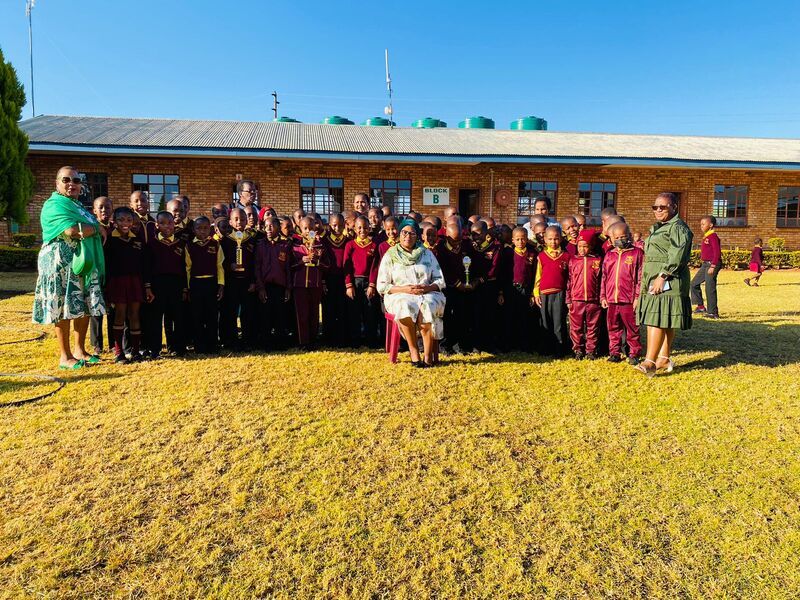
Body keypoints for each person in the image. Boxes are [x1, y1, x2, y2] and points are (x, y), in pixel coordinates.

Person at [33, 166, 107, 369]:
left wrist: (93, 228)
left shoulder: (78, 206)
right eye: (66, 180)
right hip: (61, 265)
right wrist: (96, 228)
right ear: (57, 183)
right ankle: (65, 356)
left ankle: (79, 350)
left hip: (82, 263)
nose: (71, 184)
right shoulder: (53, 205)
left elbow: (87, 228)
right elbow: (72, 230)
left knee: (84, 304)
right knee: (63, 308)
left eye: (76, 181)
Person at [636, 192, 693, 376]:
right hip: (656, 277)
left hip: (668, 279)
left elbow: (678, 254)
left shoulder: (678, 227)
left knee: (656, 318)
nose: (658, 210)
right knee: (665, 318)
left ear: (674, 207)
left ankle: (650, 362)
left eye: (663, 207)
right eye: (655, 207)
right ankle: (663, 358)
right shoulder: (661, 227)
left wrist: (663, 275)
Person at [377, 219, 446, 367]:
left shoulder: (427, 254)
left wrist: (427, 288)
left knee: (428, 305)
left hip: (427, 293)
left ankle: (427, 355)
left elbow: (440, 280)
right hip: (400, 294)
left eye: (412, 233)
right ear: (399, 234)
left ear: (417, 236)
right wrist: (405, 289)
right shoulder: (390, 255)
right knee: (405, 304)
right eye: (404, 232)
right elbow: (382, 285)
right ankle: (414, 351)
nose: (408, 236)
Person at [104, 207, 151, 363]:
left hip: (135, 282)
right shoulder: (109, 240)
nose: (125, 223)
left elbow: (144, 265)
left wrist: (147, 286)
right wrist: (105, 288)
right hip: (117, 282)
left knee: (134, 315)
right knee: (120, 315)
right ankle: (119, 353)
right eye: (121, 220)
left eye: (129, 220)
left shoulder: (138, 240)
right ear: (114, 222)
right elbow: (106, 265)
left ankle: (136, 352)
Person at [144, 211, 187, 358]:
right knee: (156, 318)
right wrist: (148, 287)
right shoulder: (151, 243)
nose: (167, 226)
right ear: (157, 225)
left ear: (174, 224)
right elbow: (147, 267)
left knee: (177, 317)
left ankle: (177, 347)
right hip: (157, 284)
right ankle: (155, 349)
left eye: (170, 223)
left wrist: (184, 288)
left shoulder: (181, 243)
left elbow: (184, 267)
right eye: (162, 223)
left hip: (176, 284)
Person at [601, 222, 644, 364]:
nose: (620, 240)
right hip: (612, 299)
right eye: (617, 237)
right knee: (613, 328)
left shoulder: (637, 253)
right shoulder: (609, 254)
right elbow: (604, 277)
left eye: (623, 237)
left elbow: (640, 277)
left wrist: (637, 297)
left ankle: (634, 353)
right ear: (612, 238)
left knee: (632, 328)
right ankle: (614, 353)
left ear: (629, 236)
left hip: (629, 299)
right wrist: (603, 296)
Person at [436, 217, 478, 354]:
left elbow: (472, 264)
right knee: (447, 317)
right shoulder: (441, 248)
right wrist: (457, 283)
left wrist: (472, 282)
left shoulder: (466, 245)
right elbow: (443, 269)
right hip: (449, 288)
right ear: (447, 236)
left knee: (463, 316)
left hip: (465, 288)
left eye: (459, 239)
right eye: (454, 240)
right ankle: (445, 346)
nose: (457, 243)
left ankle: (461, 345)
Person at [219, 208, 258, 350]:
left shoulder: (252, 240)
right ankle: (231, 341)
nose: (239, 222)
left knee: (248, 313)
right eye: (236, 219)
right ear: (230, 222)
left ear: (246, 221)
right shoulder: (225, 241)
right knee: (230, 312)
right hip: (231, 282)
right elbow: (220, 262)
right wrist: (230, 266)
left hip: (247, 282)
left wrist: (253, 281)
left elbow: (255, 263)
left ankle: (248, 340)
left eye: (242, 219)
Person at [185, 216, 225, 354]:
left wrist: (221, 285)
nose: (202, 231)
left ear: (210, 229)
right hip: (196, 284)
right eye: (199, 228)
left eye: (205, 228)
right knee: (197, 316)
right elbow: (188, 268)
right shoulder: (189, 246)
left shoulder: (215, 244)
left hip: (211, 283)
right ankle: (199, 346)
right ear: (193, 230)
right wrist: (188, 288)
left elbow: (220, 266)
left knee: (212, 315)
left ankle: (212, 345)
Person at [254, 216, 292, 350]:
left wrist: (288, 288)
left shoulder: (285, 245)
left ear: (278, 228)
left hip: (280, 287)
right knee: (265, 316)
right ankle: (266, 343)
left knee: (280, 315)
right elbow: (257, 268)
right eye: (266, 226)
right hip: (265, 287)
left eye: (271, 226)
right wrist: (260, 288)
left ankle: (280, 343)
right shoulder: (260, 245)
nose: (268, 229)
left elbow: (288, 268)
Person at [291, 217, 328, 349]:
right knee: (302, 314)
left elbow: (327, 266)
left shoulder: (320, 246)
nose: (308, 231)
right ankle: (303, 342)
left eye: (311, 228)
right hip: (300, 286)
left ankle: (313, 340)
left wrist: (317, 261)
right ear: (300, 229)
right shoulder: (295, 246)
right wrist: (302, 261)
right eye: (305, 228)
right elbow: (289, 266)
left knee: (314, 313)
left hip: (315, 285)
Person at [532, 226, 570, 356]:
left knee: (559, 321)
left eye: (556, 239)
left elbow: (569, 278)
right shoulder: (541, 256)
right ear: (545, 239)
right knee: (545, 321)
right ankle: (546, 349)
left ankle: (560, 350)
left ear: (561, 239)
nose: (553, 242)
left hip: (560, 293)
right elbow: (538, 277)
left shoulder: (566, 256)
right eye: (550, 239)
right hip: (544, 294)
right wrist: (536, 293)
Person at [344, 216, 381, 348]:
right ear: (355, 229)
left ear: (369, 228)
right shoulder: (350, 245)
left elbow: (375, 267)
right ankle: (355, 340)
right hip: (354, 282)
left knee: (370, 311)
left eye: (365, 227)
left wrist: (372, 285)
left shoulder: (374, 246)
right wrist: (349, 285)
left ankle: (371, 340)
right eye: (359, 227)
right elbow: (346, 267)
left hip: (368, 283)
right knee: (354, 312)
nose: (362, 230)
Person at [566, 232, 602, 360]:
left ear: (591, 246)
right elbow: (569, 281)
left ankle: (591, 350)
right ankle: (578, 349)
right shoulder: (573, 260)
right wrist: (568, 299)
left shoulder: (597, 260)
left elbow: (602, 280)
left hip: (594, 300)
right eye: (579, 246)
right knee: (576, 327)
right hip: (577, 300)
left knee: (593, 327)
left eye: (585, 246)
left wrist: (601, 297)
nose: (582, 249)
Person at [502, 226, 538, 352]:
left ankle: (524, 345)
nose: (520, 242)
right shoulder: (508, 253)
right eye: (517, 239)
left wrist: (533, 293)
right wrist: (501, 292)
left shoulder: (532, 253)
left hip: (526, 289)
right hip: (511, 289)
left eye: (523, 239)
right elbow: (503, 274)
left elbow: (534, 274)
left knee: (524, 317)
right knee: (510, 317)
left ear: (527, 239)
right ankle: (508, 345)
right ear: (512, 240)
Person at [90, 196, 113, 355]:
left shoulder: (116, 229)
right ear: (94, 211)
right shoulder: (92, 229)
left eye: (108, 207)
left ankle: (113, 342)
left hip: (113, 274)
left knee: (113, 309)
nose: (104, 210)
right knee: (96, 309)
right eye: (101, 207)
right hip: (96, 273)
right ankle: (97, 344)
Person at [321, 213, 349, 347]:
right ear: (329, 225)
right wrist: (323, 281)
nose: (337, 228)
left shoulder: (348, 241)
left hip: (343, 279)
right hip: (329, 279)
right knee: (328, 309)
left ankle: (342, 338)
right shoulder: (324, 241)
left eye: (340, 225)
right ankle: (328, 338)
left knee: (342, 309)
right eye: (334, 225)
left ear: (344, 225)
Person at [691, 215, 722, 319]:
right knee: (694, 284)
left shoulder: (713, 236)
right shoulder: (707, 236)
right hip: (705, 264)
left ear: (711, 225)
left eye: (703, 224)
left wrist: (713, 266)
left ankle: (713, 312)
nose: (701, 226)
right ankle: (700, 306)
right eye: (701, 224)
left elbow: (717, 253)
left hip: (712, 264)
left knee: (710, 288)